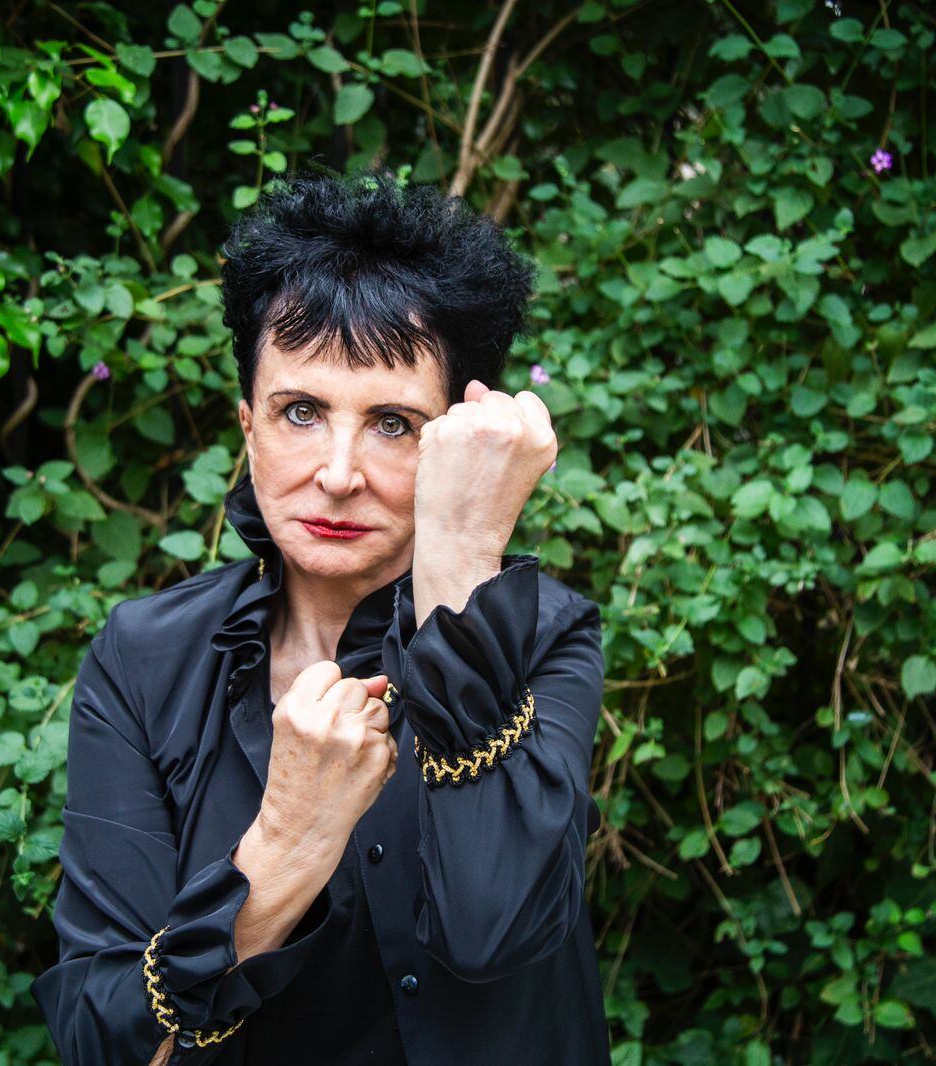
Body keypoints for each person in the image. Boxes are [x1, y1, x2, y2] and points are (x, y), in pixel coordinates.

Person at [30, 167, 610, 1064]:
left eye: (393, 423)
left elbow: (493, 931)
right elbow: (104, 1043)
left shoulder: (545, 635)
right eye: (300, 411)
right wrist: (287, 845)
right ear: (248, 427)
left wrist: (460, 555)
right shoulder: (144, 659)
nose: (339, 474)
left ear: (457, 438)